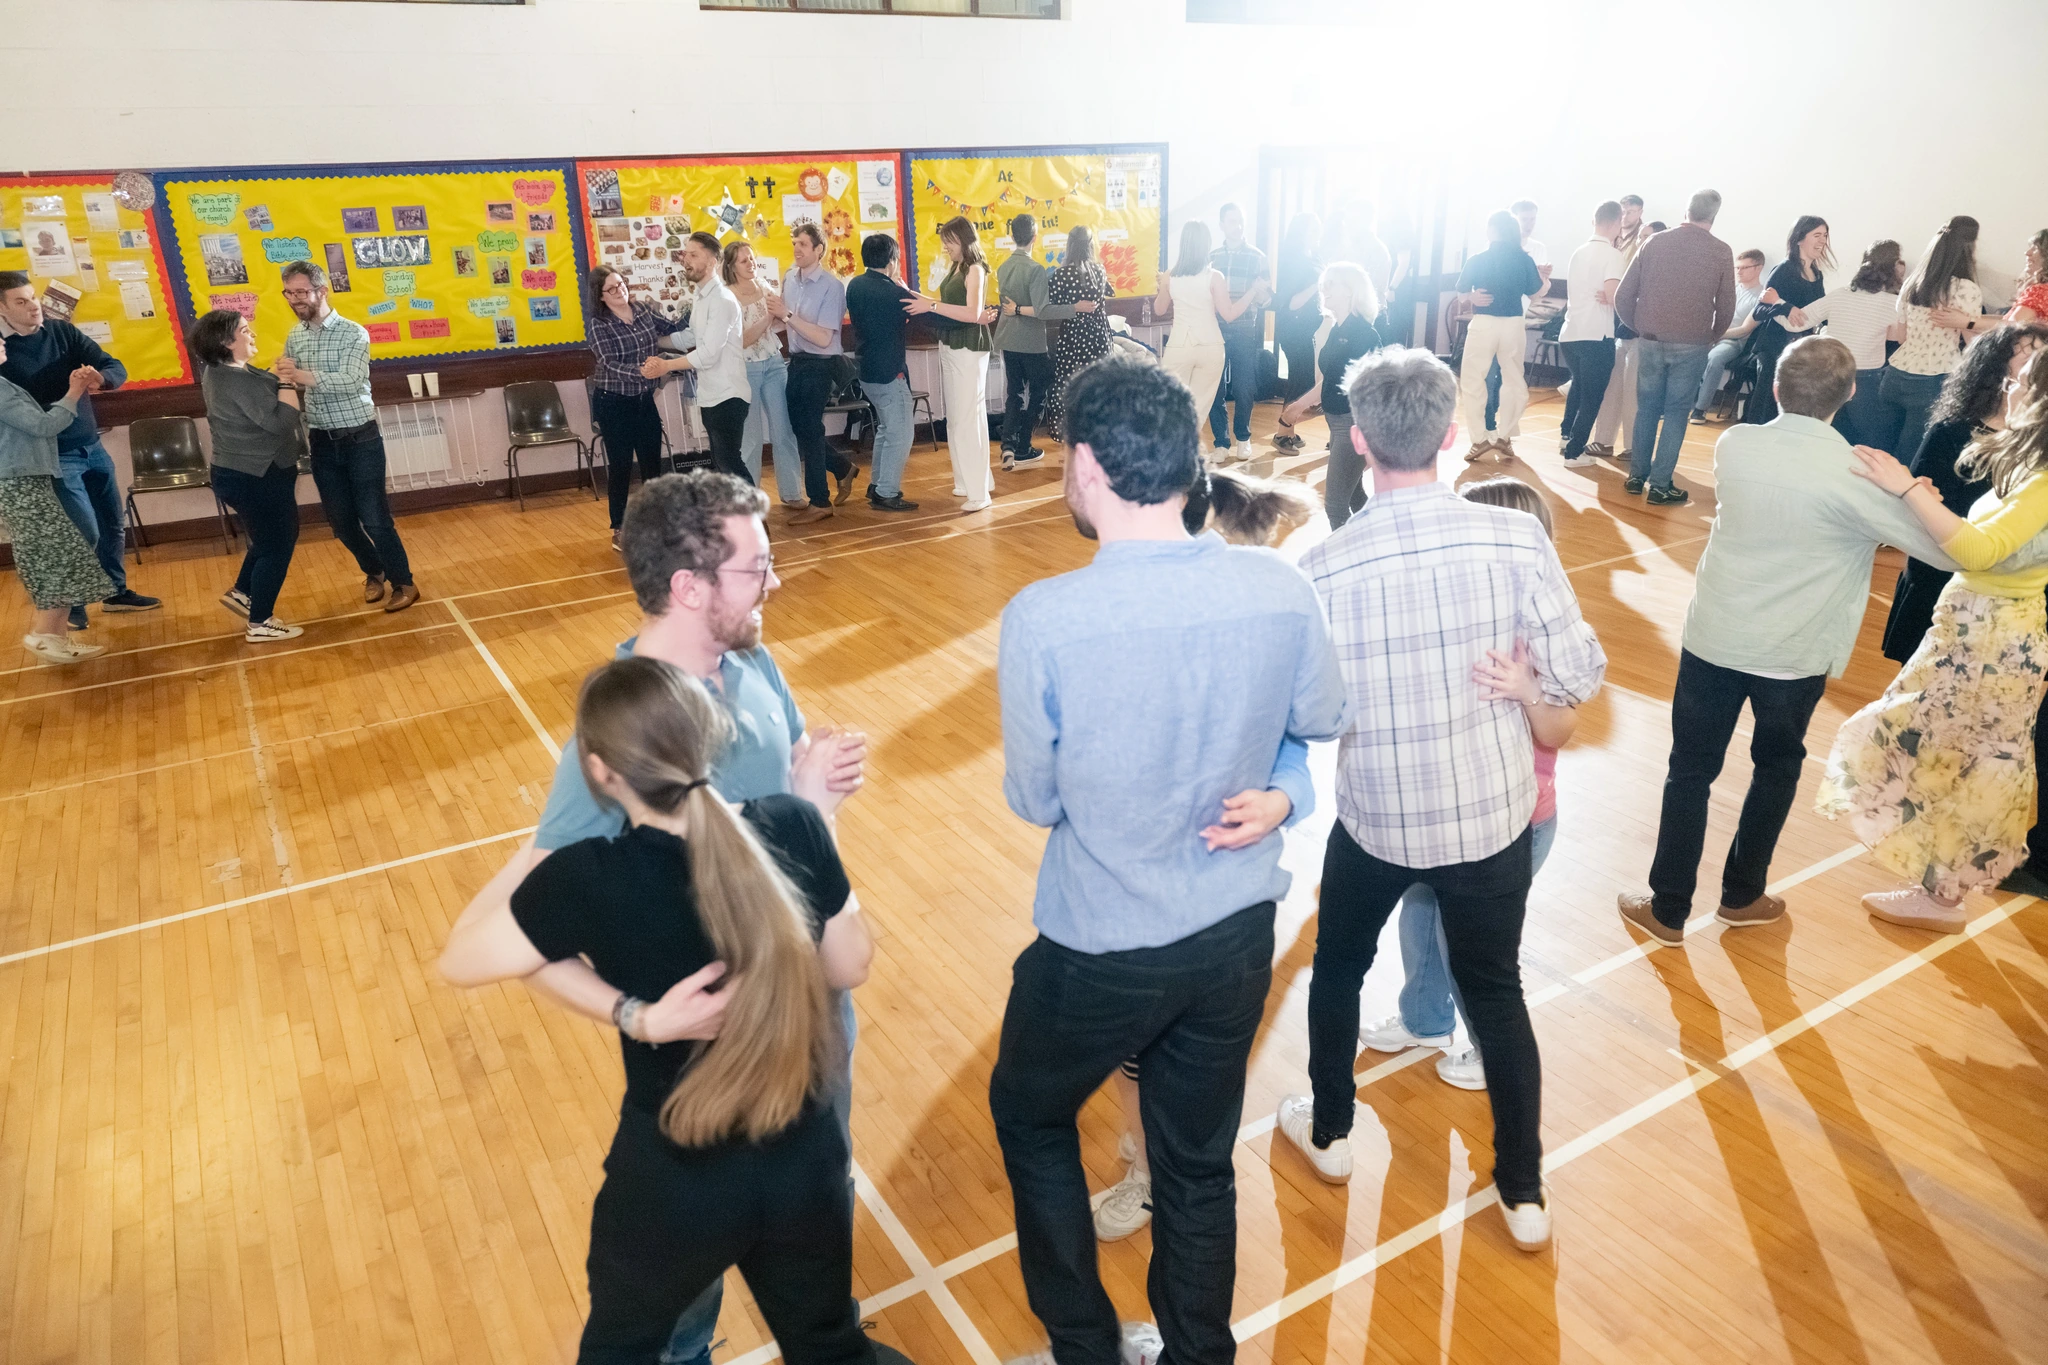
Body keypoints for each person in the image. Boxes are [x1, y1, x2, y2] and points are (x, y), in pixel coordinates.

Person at [990, 353, 1346, 1365]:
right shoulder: (1276, 586)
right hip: (1232, 937)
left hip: (1098, 947)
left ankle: (1084, 1346)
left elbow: (1035, 800)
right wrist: (1285, 791)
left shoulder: (1045, 617)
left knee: (1028, 1115)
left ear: (1085, 466)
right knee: (1196, 1165)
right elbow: (1320, 719)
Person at [438, 656, 898, 1365]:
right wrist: (821, 821)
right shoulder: (792, 824)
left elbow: (461, 957)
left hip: (676, 1177)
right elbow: (849, 964)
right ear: (712, 738)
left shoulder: (586, 876)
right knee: (830, 1347)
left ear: (601, 772)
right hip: (803, 1153)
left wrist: (542, 844)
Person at [528, 470, 866, 1365]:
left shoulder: (754, 663)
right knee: (684, 1284)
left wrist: (816, 787)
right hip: (706, 1059)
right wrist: (634, 1013)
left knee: (811, 1217)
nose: (775, 581)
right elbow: (514, 929)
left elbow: (789, 796)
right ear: (689, 586)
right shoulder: (620, 733)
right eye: (757, 567)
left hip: (808, 1018)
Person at [1283, 347, 1605, 1255]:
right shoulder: (1514, 538)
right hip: (1490, 815)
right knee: (1496, 989)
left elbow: (1311, 715)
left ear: (1357, 439)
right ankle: (1523, 1189)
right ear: (1453, 434)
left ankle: (1332, 1131)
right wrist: (1523, 681)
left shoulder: (1322, 565)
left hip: (1378, 817)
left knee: (1338, 969)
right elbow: (1579, 671)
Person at [1615, 336, 2045, 948]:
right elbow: (1945, 552)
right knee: (1776, 768)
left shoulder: (1736, 444)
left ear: (1774, 389)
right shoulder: (1858, 474)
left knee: (1689, 770)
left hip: (1716, 635)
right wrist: (1914, 499)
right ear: (1850, 393)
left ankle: (1667, 907)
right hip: (1797, 652)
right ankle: (1743, 895)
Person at [1357, 476, 1578, 1092]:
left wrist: (1527, 691)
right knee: (1420, 915)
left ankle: (1490, 1050)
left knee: (1473, 946)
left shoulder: (1542, 639)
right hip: (1446, 811)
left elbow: (1560, 730)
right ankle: (1424, 1019)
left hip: (1515, 824)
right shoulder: (1458, 625)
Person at [1819, 350, 2048, 933]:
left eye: (2022, 382)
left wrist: (1908, 491)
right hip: (1977, 629)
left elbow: (1978, 551)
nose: (2009, 388)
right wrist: (1927, 504)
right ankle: (1939, 890)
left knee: (1959, 759)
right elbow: (1983, 540)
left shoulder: (2044, 477)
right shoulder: (2029, 461)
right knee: (1945, 753)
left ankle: (1943, 897)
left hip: (1992, 640)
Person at [0, 271, 159, 627]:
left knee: (112, 523)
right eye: (21, 302)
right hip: (53, 456)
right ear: (2, 309)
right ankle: (72, 607)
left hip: (92, 445)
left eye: (33, 297)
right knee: (83, 532)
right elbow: (24, 415)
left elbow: (112, 365)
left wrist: (102, 378)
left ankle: (116, 592)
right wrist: (70, 392)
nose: (33, 307)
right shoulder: (1, 353)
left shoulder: (62, 332)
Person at [1882, 324, 2048, 662]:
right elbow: (1921, 508)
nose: (2033, 361)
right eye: (2023, 352)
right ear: (1996, 370)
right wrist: (1915, 494)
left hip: (2005, 599)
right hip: (1940, 577)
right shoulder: (1953, 431)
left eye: (2039, 353)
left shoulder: (2037, 453)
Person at [270, 261, 420, 613]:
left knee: (375, 519)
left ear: (322, 291)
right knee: (341, 523)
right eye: (289, 293)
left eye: (301, 292)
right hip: (321, 440)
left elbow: (352, 380)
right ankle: (374, 571)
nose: (295, 299)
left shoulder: (354, 333)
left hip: (360, 439)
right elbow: (291, 379)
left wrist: (302, 375)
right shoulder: (295, 335)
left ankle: (404, 583)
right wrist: (283, 375)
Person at [187, 309, 307, 644]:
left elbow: (260, 389)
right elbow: (282, 422)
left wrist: (278, 377)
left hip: (245, 472)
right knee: (277, 545)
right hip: (256, 475)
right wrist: (287, 381)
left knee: (266, 540)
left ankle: (243, 592)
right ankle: (260, 622)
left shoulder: (222, 370)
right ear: (226, 342)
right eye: (244, 330)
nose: (252, 334)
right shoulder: (234, 379)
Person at [1613, 189, 1738, 506]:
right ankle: (1660, 485)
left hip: (1651, 339)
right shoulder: (1721, 251)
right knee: (1676, 413)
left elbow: (1622, 296)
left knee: (1646, 409)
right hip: (1693, 343)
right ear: (1714, 216)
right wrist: (1712, 335)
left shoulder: (1654, 242)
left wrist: (1639, 326)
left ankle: (1636, 477)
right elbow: (1727, 306)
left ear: (1686, 211)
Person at [2, 361, 110, 664]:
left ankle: (54, 637)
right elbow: (43, 425)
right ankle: (44, 635)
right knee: (57, 557)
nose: (1, 343)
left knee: (58, 555)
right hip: (18, 483)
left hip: (24, 479)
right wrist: (74, 391)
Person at [905, 217, 1000, 514]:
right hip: (950, 344)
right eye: (944, 241)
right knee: (957, 419)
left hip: (969, 348)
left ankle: (979, 492)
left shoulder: (975, 269)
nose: (945, 246)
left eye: (950, 241)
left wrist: (931, 305)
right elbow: (948, 307)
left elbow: (972, 313)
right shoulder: (957, 266)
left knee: (968, 420)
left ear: (964, 240)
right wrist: (912, 294)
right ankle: (969, 482)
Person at [639, 233, 749, 484]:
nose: (685, 260)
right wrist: (652, 341)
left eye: (693, 254)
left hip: (729, 395)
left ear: (712, 261)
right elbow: (690, 337)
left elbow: (708, 354)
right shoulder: (701, 297)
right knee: (722, 465)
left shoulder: (722, 300)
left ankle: (754, 511)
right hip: (711, 395)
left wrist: (666, 365)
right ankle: (735, 510)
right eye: (685, 254)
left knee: (730, 465)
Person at [1277, 262, 1380, 527]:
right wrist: (1298, 406)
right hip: (1338, 424)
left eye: (1331, 284)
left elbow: (1376, 390)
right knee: (1354, 495)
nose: (1323, 289)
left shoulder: (1364, 335)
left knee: (1335, 505)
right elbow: (1331, 381)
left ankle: (1349, 551)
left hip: (1354, 425)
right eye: (1323, 284)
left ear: (1350, 290)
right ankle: (1378, 535)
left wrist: (1373, 442)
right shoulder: (1338, 329)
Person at [587, 263, 682, 548]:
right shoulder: (598, 323)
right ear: (601, 296)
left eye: (621, 284)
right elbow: (608, 363)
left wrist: (698, 313)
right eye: (611, 289)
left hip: (643, 400)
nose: (620, 291)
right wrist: (642, 371)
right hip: (613, 402)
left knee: (652, 463)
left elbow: (673, 328)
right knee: (621, 466)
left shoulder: (642, 310)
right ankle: (619, 527)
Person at [773, 221, 858, 523]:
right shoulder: (789, 278)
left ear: (819, 249)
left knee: (810, 429)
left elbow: (823, 337)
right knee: (801, 428)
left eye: (803, 244)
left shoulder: (832, 287)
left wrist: (786, 315)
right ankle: (843, 468)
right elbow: (783, 322)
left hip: (821, 364)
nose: (796, 249)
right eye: (794, 243)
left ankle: (820, 501)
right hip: (796, 361)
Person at [1784, 239, 1908, 448]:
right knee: (1871, 440)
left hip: (1831, 373)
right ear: (1893, 267)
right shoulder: (1893, 303)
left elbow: (1795, 324)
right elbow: (1898, 338)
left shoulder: (1840, 295)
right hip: (1866, 378)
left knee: (1829, 437)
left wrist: (1778, 305)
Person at [1156, 221, 1261, 462]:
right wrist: (1253, 292)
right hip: (1211, 346)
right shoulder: (1215, 277)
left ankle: (1171, 454)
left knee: (1170, 403)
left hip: (1179, 346)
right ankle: (1186, 454)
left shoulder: (1170, 275)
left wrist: (1163, 287)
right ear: (1206, 245)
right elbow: (1229, 314)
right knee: (1199, 406)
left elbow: (1160, 309)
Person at [1883, 216, 1984, 464]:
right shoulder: (1965, 288)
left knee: (1883, 449)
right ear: (1969, 248)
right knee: (1911, 459)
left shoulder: (1912, 283)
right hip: (1933, 379)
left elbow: (1901, 337)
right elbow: (1972, 344)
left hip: (1894, 375)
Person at [993, 214, 1081, 471]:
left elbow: (1008, 307)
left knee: (1015, 393)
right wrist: (1074, 308)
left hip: (1008, 338)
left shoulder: (1003, 267)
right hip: (1031, 342)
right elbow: (1043, 310)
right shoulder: (1035, 269)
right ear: (1035, 237)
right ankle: (1023, 446)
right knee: (1040, 392)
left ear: (1012, 236)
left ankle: (1008, 446)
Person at [1452, 212, 1543, 461]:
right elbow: (1535, 295)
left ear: (1492, 230)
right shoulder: (1524, 258)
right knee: (1513, 379)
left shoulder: (1478, 258)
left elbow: (1461, 295)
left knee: (1473, 379)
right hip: (1513, 323)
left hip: (1484, 323)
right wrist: (1543, 279)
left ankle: (1479, 439)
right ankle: (1505, 437)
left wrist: (1472, 297)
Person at [841, 233, 921, 512]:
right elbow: (928, 316)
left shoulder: (855, 285)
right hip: (889, 372)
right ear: (892, 260)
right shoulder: (893, 293)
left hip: (865, 368)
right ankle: (886, 491)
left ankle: (877, 485)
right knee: (901, 434)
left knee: (887, 430)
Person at [723, 241, 803, 509]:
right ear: (732, 267)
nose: (751, 264)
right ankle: (750, 502)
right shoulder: (728, 297)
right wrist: (769, 318)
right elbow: (742, 340)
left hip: (774, 363)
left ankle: (792, 493)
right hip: (746, 369)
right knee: (751, 438)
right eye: (744, 260)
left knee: (784, 432)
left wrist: (777, 317)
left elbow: (780, 321)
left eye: (752, 258)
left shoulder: (764, 286)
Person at [1741, 215, 1833, 426]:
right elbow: (1760, 309)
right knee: (1765, 404)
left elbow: (1819, 311)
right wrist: (1786, 307)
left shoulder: (1817, 274)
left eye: (1825, 235)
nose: (1822, 241)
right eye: (1817, 235)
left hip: (1797, 351)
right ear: (1799, 239)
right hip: (1773, 348)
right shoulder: (1784, 270)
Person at [1557, 202, 1626, 466]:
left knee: (1579, 386)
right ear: (1617, 222)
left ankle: (1566, 437)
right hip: (1596, 335)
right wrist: (1619, 298)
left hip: (1570, 333)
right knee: (1592, 397)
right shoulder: (1612, 254)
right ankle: (1574, 453)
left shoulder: (1578, 251)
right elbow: (1612, 295)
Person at [1481, 199, 1553, 434]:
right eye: (1524, 219)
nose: (1529, 224)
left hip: (1516, 318)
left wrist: (1543, 278)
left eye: (1533, 219)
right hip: (1491, 317)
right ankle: (1487, 419)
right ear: (1512, 221)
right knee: (1489, 371)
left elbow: (1538, 292)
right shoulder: (1493, 246)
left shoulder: (1538, 249)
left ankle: (1502, 422)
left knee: (1508, 373)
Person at [1588, 194, 1650, 460]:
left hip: (1641, 334)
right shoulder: (1618, 246)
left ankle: (1633, 446)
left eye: (1647, 237)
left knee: (1632, 393)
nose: (1642, 241)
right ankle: (1602, 441)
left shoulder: (1654, 263)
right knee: (1612, 389)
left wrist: (1617, 298)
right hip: (1619, 330)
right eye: (1642, 237)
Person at [1206, 203, 1269, 455]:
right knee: (1215, 388)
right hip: (1215, 330)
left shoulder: (1257, 256)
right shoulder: (1211, 258)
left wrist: (1260, 292)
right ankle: (1221, 442)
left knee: (1245, 387)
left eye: (1241, 220)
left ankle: (1243, 437)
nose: (1238, 226)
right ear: (1222, 225)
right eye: (1232, 221)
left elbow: (1266, 299)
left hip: (1244, 329)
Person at [1043, 226, 1113, 445]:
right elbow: (1107, 294)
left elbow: (1050, 306)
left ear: (1070, 245)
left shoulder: (1062, 274)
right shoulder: (1100, 270)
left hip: (1073, 336)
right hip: (1099, 334)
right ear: (1091, 246)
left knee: (1068, 383)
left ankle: (1069, 434)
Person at [1691, 248, 1770, 422]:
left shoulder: (1761, 297)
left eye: (1744, 268)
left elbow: (1745, 329)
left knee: (1714, 358)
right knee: (1685, 352)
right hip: (1713, 336)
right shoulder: (1731, 290)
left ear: (1758, 268)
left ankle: (1700, 409)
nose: (1739, 271)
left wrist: (1716, 336)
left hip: (1735, 341)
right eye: (1737, 267)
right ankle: (1680, 403)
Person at [1271, 212, 1323, 451]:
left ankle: (1288, 430)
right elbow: (1290, 303)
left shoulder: (1311, 257)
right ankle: (1283, 431)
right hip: (1294, 330)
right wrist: (1316, 285)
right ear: (1302, 232)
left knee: (1301, 380)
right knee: (1299, 382)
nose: (1318, 234)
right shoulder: (1295, 261)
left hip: (1305, 330)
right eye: (1313, 229)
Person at [2006, 229, 2048, 324]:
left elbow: (2013, 326)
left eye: (2035, 248)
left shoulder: (2039, 291)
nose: (2027, 253)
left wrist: (1972, 323)